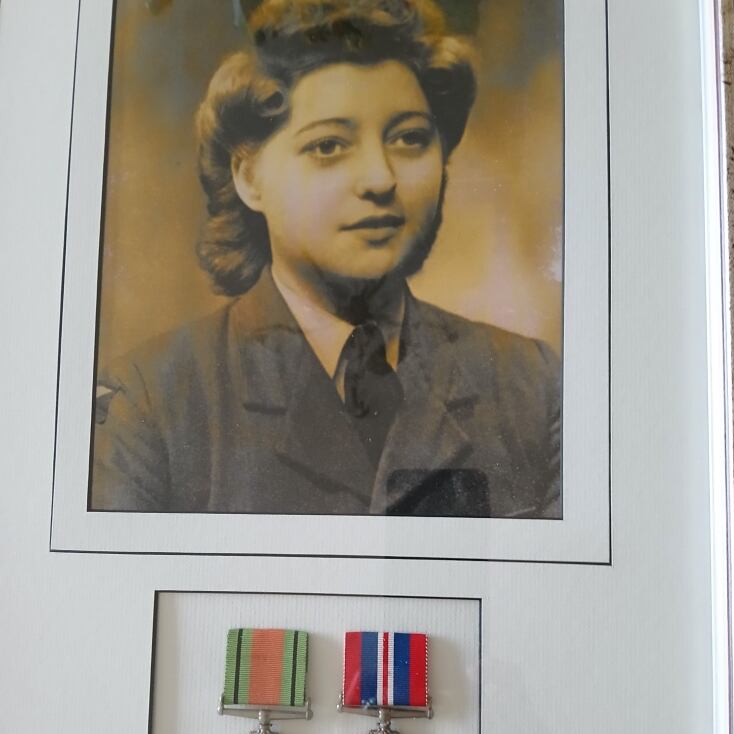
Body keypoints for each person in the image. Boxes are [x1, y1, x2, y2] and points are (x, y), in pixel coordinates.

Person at [91, 0, 561, 517]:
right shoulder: (150, 404)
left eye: (409, 138)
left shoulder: (532, 386)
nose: (381, 179)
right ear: (249, 177)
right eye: (329, 146)